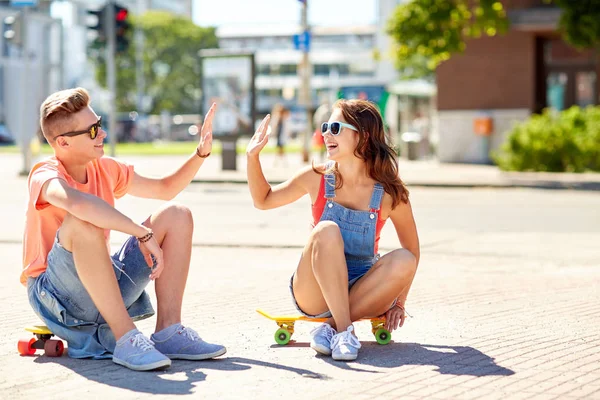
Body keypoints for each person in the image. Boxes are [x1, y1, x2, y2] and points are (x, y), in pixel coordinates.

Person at [22, 87, 226, 371]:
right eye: (92, 130)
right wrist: (140, 233)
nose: (102, 133)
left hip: (102, 288)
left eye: (100, 125)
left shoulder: (105, 168)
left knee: (177, 214)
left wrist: (200, 154)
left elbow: (165, 188)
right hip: (58, 298)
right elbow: (79, 204)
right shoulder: (45, 174)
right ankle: (126, 338)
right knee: (83, 221)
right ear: (63, 143)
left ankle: (168, 331)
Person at [246, 99, 420, 361]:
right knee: (326, 230)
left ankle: (330, 328)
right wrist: (252, 157)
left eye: (336, 127)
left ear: (364, 136)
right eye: (326, 126)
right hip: (313, 291)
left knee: (405, 259)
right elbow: (263, 200)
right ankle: (345, 331)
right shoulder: (315, 177)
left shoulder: (389, 193)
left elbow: (413, 251)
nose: (326, 133)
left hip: (363, 288)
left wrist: (399, 302)